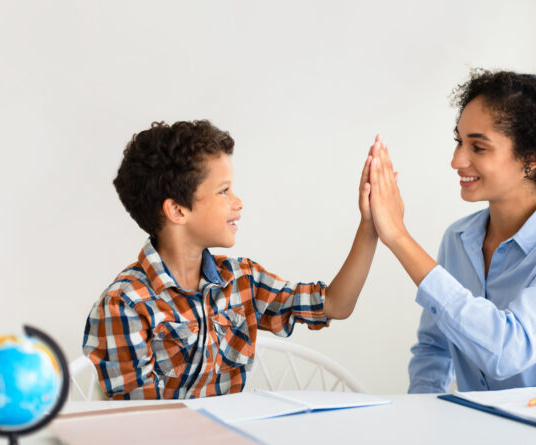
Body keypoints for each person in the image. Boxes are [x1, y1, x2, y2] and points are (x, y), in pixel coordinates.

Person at [83, 120, 377, 399]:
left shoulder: (242, 280)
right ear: (177, 211)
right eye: (223, 191)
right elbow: (140, 420)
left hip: (231, 443)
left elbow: (335, 305)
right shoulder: (124, 304)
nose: (238, 202)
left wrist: (369, 226)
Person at [365, 69, 536, 393]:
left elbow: (509, 350)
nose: (457, 160)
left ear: (531, 158)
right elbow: (434, 349)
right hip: (486, 435)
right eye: (459, 141)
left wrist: (399, 237)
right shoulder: (458, 239)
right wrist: (424, 415)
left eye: (478, 147)